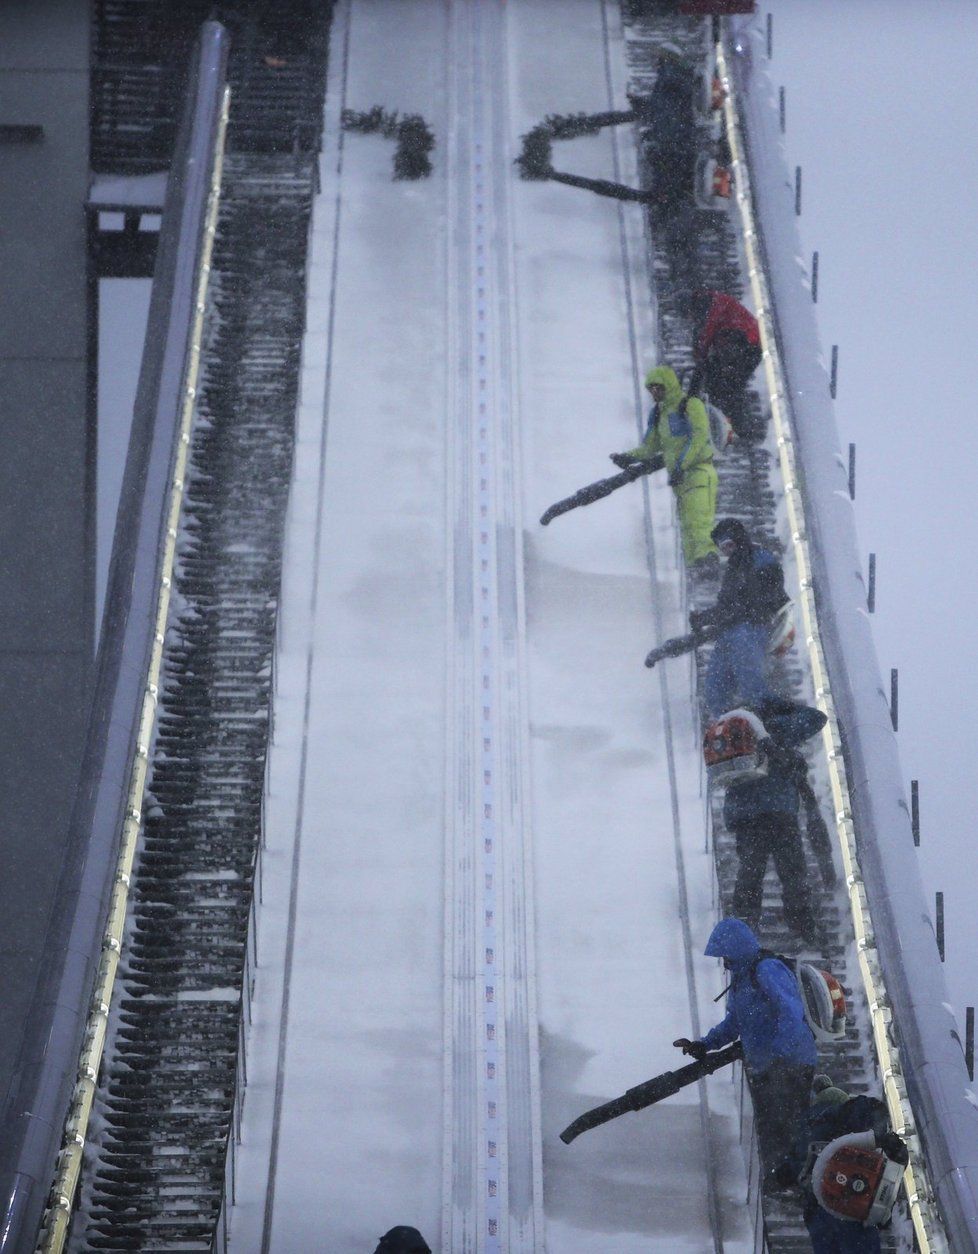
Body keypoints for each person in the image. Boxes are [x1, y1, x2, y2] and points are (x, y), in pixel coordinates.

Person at [673, 918, 817, 1170]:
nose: (725, 963)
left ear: (737, 949)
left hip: (790, 1065)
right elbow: (735, 1024)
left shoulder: (766, 970)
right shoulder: (742, 981)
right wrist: (704, 1045)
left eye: (727, 956)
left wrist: (779, 1055)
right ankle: (780, 1178)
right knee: (771, 1127)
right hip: (766, 1068)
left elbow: (790, 1013)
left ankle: (792, 1179)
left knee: (789, 1125)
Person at [723, 698, 833, 944]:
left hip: (746, 815)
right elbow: (817, 718)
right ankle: (801, 924)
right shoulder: (780, 728)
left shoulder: (734, 731)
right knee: (793, 871)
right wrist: (786, 706)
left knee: (749, 873)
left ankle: (745, 925)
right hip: (779, 812)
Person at [772, 1076, 909, 1253]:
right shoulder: (852, 1116)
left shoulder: (804, 1130)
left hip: (820, 1210)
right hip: (857, 1207)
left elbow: (788, 1171)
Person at [610, 365, 718, 567]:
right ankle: (695, 565)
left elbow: (699, 436)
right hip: (679, 478)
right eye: (651, 389)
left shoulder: (690, 404)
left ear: (668, 385)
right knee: (686, 525)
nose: (654, 393)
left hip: (698, 470)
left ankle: (708, 560)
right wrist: (627, 457)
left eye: (657, 388)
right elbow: (649, 447)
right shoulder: (659, 414)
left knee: (698, 519)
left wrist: (681, 464)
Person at [691, 518, 788, 716]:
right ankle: (724, 729)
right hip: (729, 630)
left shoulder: (759, 559)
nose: (727, 552)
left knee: (751, 683)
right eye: (722, 549)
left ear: (739, 539)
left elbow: (762, 598)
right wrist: (705, 618)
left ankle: (769, 726)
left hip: (750, 629)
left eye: (729, 545)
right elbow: (728, 605)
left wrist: (747, 612)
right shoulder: (734, 569)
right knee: (715, 688)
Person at [685, 289, 764, 439]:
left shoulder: (715, 303)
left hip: (747, 344)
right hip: (740, 348)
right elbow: (701, 352)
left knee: (728, 381)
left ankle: (741, 425)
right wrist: (691, 394)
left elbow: (709, 328)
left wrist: (701, 351)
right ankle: (726, 423)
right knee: (715, 382)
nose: (690, 319)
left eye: (688, 314)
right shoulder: (704, 312)